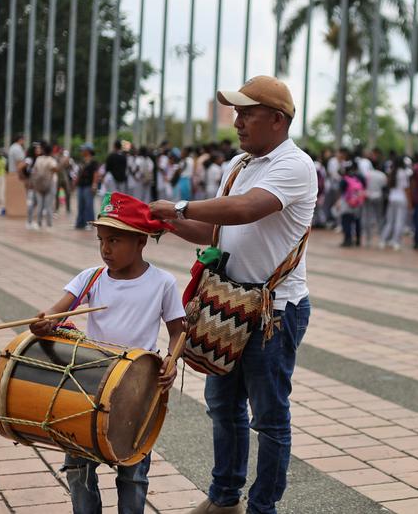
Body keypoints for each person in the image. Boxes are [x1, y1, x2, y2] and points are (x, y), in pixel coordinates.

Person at [150, 76, 316, 514]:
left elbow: (246, 209)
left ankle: (262, 507)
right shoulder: (239, 166)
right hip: (226, 304)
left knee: (269, 418)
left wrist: (180, 207)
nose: (237, 121)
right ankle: (225, 500)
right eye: (236, 112)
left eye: (247, 112)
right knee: (223, 407)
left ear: (278, 120)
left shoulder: (294, 164)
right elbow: (219, 230)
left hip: (272, 311)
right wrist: (164, 222)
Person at [30, 192, 184, 514]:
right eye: (101, 240)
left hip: (138, 389)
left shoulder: (162, 283)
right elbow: (55, 314)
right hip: (91, 383)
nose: (105, 249)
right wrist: (43, 324)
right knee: (79, 468)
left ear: (141, 240)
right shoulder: (92, 278)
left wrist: (171, 360)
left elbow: (177, 331)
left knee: (133, 473)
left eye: (114, 240)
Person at [380, 156, 411, 249]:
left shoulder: (392, 172)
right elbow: (406, 188)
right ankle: (396, 241)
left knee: (390, 221)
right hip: (401, 198)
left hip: (392, 198)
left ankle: (383, 240)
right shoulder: (404, 173)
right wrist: (409, 201)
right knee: (399, 221)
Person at [27, 142, 59, 230]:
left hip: (38, 185)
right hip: (50, 184)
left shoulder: (38, 159)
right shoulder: (51, 160)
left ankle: (39, 223)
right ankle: (49, 225)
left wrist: (31, 182)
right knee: (48, 206)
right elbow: (55, 169)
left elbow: (34, 171)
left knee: (40, 205)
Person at [361, 159, 388, 247]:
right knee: (379, 217)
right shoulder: (382, 175)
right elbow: (384, 187)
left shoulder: (367, 174)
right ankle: (381, 238)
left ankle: (368, 239)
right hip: (378, 196)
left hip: (368, 196)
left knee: (367, 217)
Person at [75, 145, 100, 230]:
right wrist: (75, 182)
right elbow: (79, 173)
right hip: (81, 185)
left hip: (88, 185)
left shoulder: (93, 162)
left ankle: (89, 223)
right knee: (80, 204)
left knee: (89, 205)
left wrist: (94, 184)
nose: (81, 152)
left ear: (88, 151)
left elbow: (96, 173)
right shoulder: (82, 161)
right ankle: (80, 223)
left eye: (83, 150)